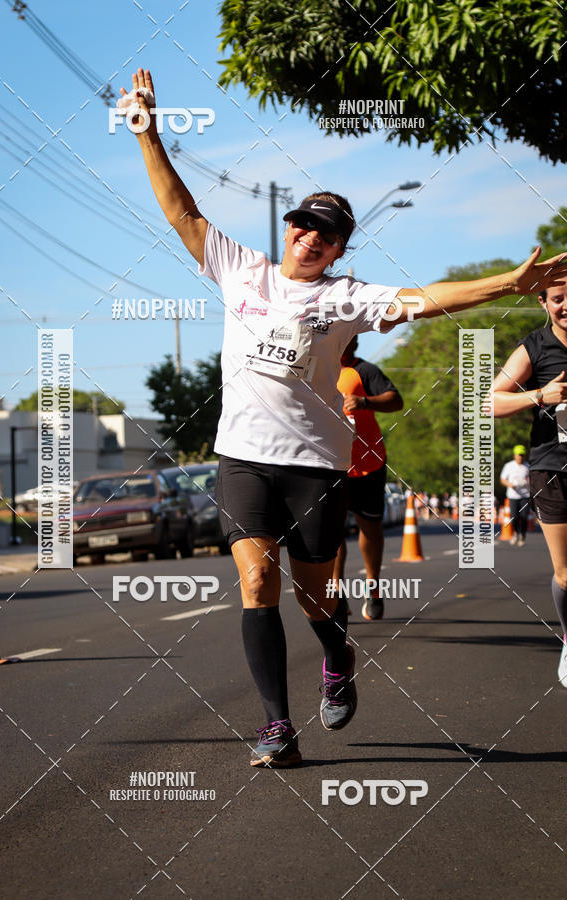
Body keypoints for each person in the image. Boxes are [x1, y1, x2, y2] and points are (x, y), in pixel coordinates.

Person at [122, 69, 567, 765]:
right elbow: (182, 213)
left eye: (327, 235)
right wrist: (148, 133)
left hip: (314, 467)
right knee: (256, 582)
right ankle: (277, 727)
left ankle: (337, 650)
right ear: (290, 228)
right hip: (241, 460)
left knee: (315, 598)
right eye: (304, 225)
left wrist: (508, 284)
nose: (311, 238)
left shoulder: (348, 297)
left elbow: (428, 298)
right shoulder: (243, 271)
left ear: (337, 249)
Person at [493, 275, 567, 688]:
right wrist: (540, 395)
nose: (566, 305)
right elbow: (492, 401)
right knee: (566, 574)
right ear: (544, 302)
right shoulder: (535, 347)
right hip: (553, 468)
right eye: (558, 299)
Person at [333, 337, 403, 620]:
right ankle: (336, 593)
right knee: (332, 531)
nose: (349, 342)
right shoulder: (316, 368)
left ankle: (373, 587)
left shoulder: (365, 371)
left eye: (352, 337)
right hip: (330, 464)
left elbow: (395, 400)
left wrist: (364, 401)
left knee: (370, 529)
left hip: (367, 463)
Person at [500, 444, 530, 546]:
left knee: (524, 516)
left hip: (525, 496)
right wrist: (510, 485)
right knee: (515, 517)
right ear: (514, 455)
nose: (520, 457)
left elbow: (533, 480)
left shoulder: (527, 467)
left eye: (522, 455)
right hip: (513, 496)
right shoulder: (508, 466)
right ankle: (515, 533)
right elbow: (503, 480)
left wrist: (527, 482)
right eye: (518, 455)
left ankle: (523, 535)